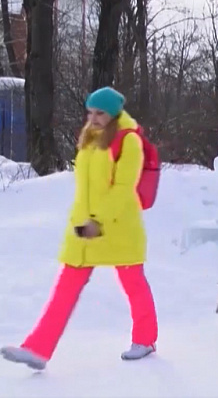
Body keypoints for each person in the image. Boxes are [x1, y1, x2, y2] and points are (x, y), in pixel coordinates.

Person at [1, 87, 158, 371]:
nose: (94, 118)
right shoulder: (91, 137)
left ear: (114, 113)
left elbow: (124, 189)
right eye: (91, 112)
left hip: (118, 228)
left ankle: (145, 340)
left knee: (134, 285)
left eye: (100, 113)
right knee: (65, 288)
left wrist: (99, 220)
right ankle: (37, 349)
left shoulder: (129, 140)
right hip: (84, 228)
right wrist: (84, 220)